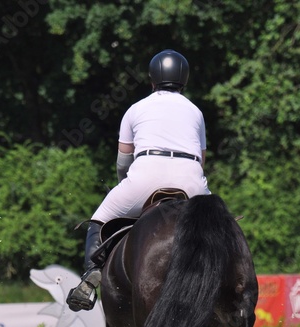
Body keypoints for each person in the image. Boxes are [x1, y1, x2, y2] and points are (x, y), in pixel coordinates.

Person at [66, 49, 211, 312]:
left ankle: (89, 280)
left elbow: (123, 162)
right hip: (191, 180)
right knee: (218, 225)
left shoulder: (136, 109)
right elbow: (201, 160)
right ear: (184, 79)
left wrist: (126, 185)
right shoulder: (196, 111)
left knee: (99, 220)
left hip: (145, 176)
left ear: (152, 79)